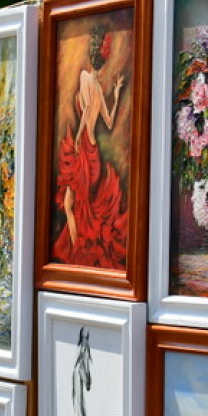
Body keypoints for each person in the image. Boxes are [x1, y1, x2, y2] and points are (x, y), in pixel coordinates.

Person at [52, 24, 129, 269]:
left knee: (71, 205)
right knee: (76, 206)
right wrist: (116, 94)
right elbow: (109, 121)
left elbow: (86, 112)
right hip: (91, 151)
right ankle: (78, 253)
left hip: (84, 148)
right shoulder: (98, 88)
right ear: (103, 63)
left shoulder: (85, 78)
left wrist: (76, 139)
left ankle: (77, 255)